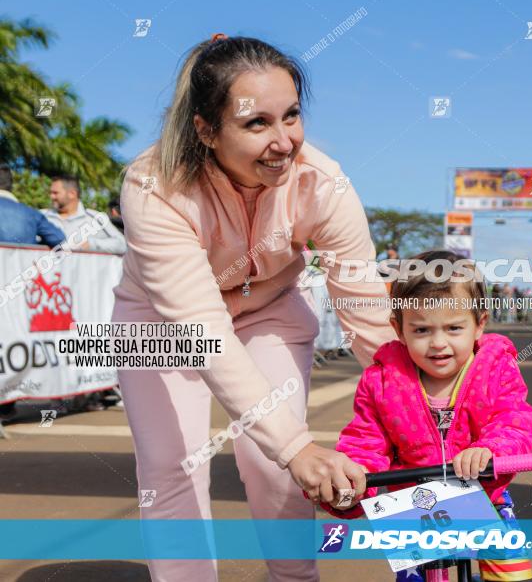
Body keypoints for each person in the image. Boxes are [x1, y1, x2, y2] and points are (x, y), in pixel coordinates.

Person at [111, 35, 398, 581]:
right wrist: (296, 446)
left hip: (270, 311)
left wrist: (426, 406)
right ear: (205, 129)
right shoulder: (152, 185)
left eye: (291, 116)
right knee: (172, 465)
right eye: (257, 123)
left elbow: (363, 308)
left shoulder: (324, 182)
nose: (284, 142)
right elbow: (202, 329)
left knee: (274, 464)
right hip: (161, 322)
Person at [323, 251, 532, 582]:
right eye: (422, 330)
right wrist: (351, 484)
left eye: (454, 328)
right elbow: (366, 441)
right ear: (399, 329)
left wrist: (490, 450)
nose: (439, 344)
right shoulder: (381, 381)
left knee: (512, 571)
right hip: (414, 503)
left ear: (480, 323)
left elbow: (513, 421)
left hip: (484, 494)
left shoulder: (496, 370)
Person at [43, 175, 127, 254]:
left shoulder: (95, 218)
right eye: (51, 193)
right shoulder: (42, 215)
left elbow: (122, 244)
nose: (51, 196)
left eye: (55, 193)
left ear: (72, 194)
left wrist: (91, 244)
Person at [0, 165, 65, 248]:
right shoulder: (32, 214)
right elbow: (60, 239)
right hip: (24, 260)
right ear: (11, 185)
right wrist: (34, 244)